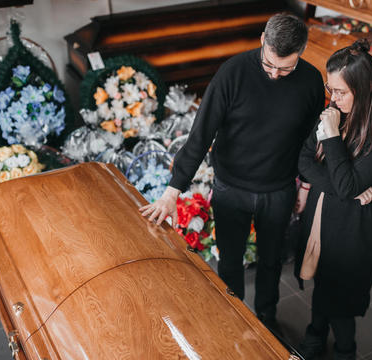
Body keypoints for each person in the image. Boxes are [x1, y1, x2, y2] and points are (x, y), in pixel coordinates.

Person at [139, 13, 325, 329]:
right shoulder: (233, 73)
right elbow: (200, 135)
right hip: (230, 188)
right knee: (229, 261)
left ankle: (267, 318)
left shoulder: (309, 81)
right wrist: (172, 192)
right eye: (270, 65)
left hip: (279, 189)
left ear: (301, 54)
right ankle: (232, 317)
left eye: (285, 68)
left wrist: (305, 187)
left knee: (271, 261)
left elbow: (312, 141)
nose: (276, 75)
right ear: (263, 41)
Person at [294, 38, 372, 360]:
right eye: (331, 89)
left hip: (352, 234)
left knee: (340, 303)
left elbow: (344, 184)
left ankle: (345, 352)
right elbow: (303, 161)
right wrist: (350, 188)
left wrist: (331, 137)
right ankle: (315, 336)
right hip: (321, 219)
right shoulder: (336, 111)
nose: (334, 98)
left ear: (366, 87)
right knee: (322, 287)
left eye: (341, 91)